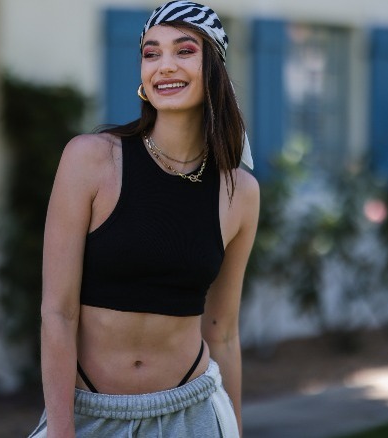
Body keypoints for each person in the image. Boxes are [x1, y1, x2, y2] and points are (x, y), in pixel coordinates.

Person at [29, 1, 259, 437]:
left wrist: (237, 429)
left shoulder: (240, 192)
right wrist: (61, 429)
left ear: (214, 68)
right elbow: (57, 312)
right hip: (89, 414)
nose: (164, 66)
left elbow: (223, 331)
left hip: (193, 414)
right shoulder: (91, 159)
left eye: (184, 51)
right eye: (151, 53)